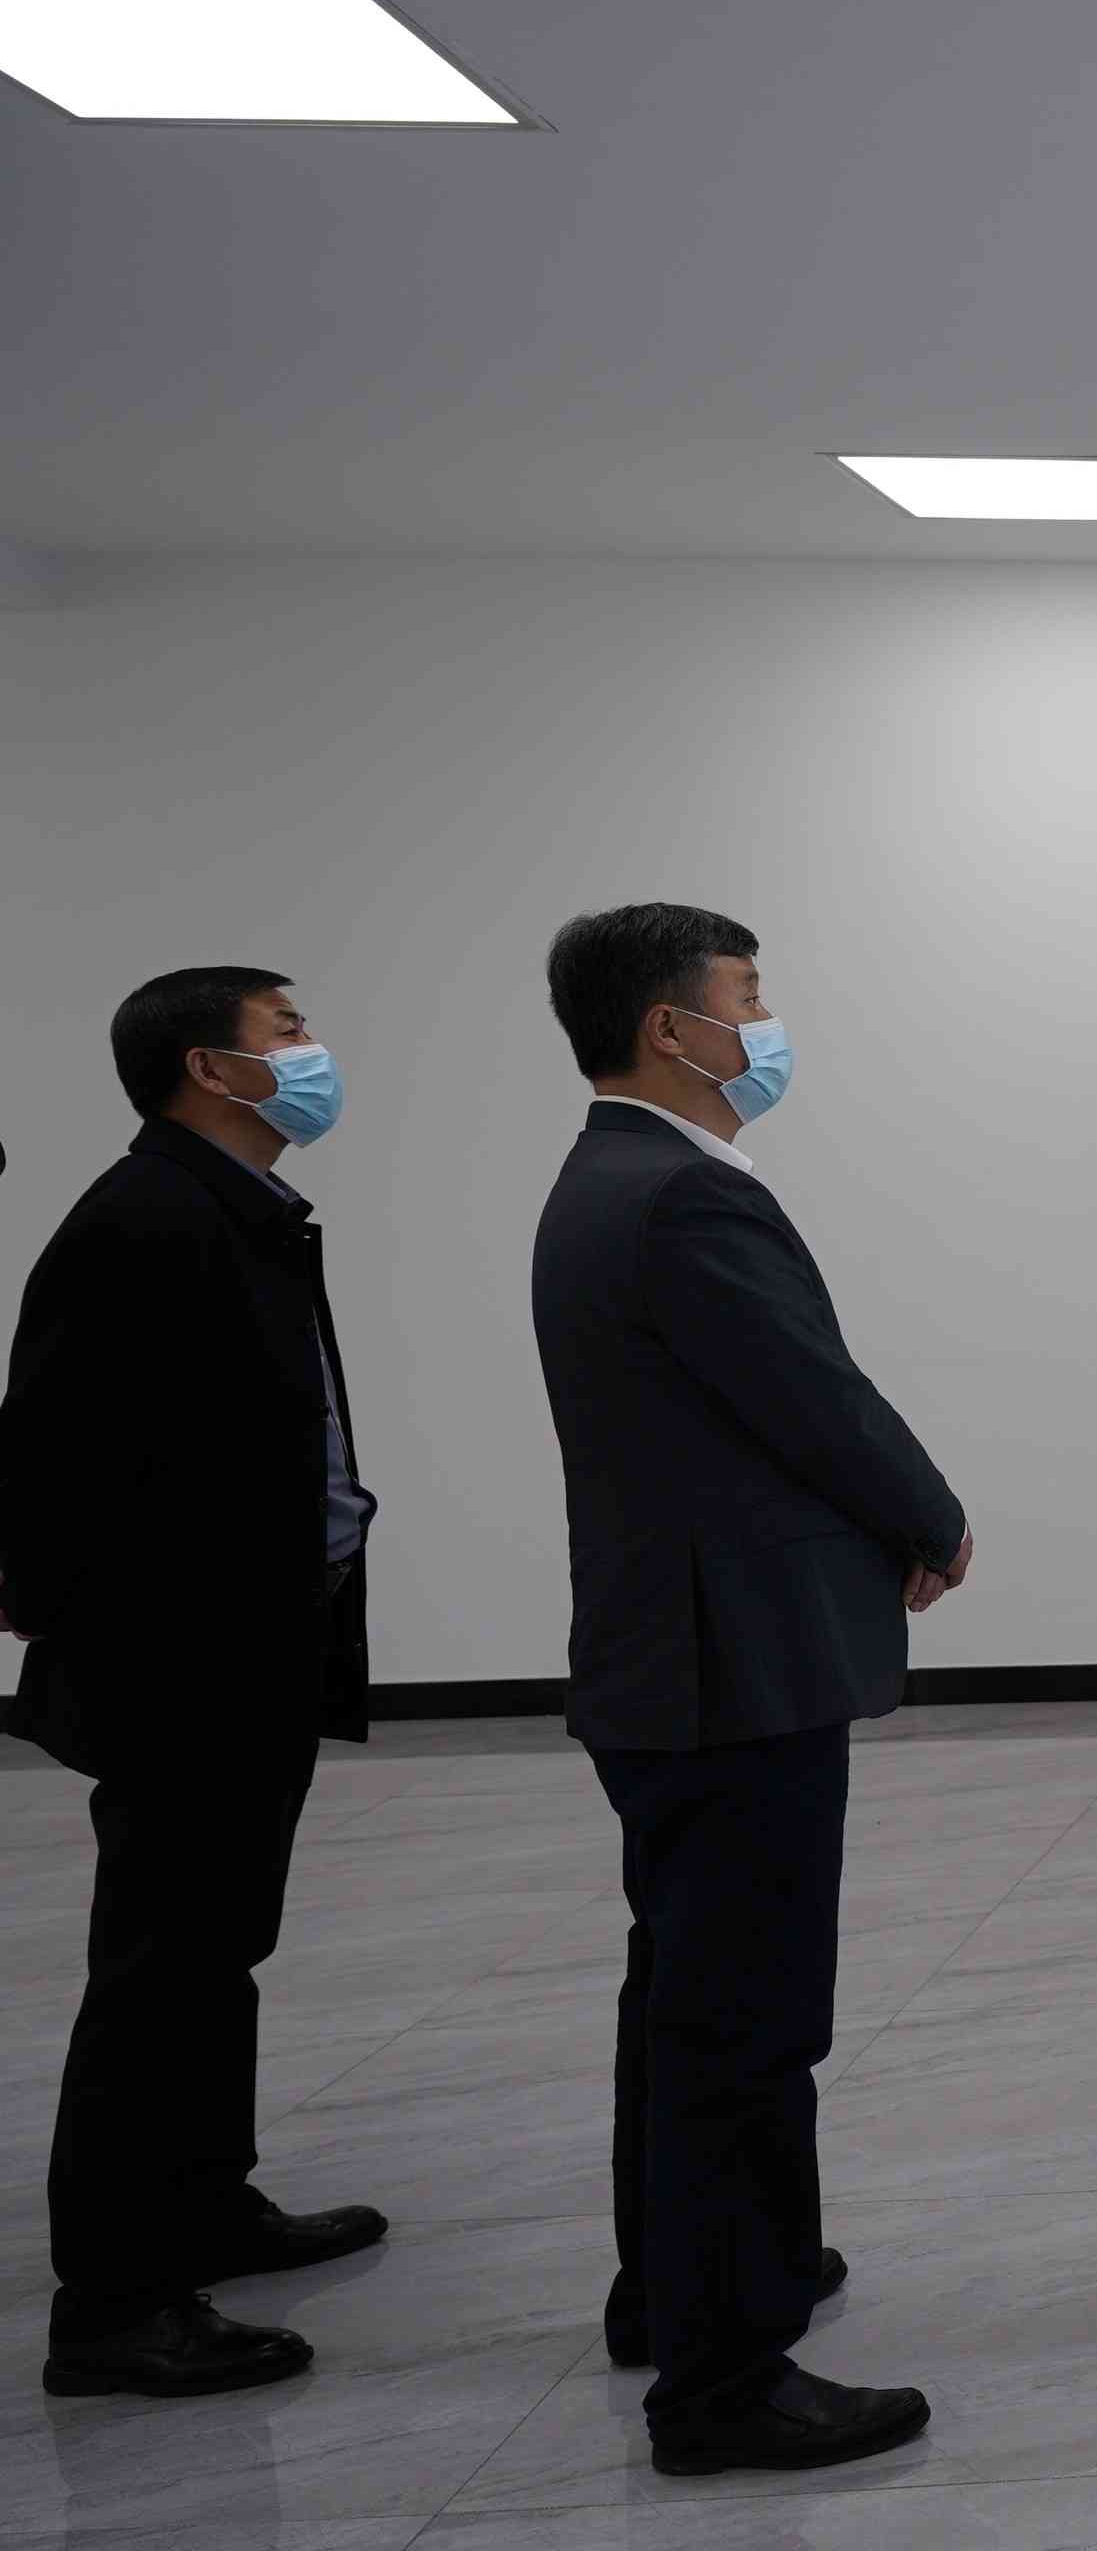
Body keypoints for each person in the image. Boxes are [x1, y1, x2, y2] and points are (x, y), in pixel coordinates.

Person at [528, 904, 970, 2477]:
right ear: (672, 1027)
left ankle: (681, 2287)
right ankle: (725, 2382)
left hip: (674, 1658)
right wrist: (932, 1518)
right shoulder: (682, 1198)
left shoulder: (604, 1182)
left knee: (686, 1997)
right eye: (748, 997)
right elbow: (813, 1397)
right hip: (734, 1671)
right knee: (744, 2023)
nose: (765, 1025)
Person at [0, 968, 387, 2398]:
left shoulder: (239, 1208)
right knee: (160, 1971)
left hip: (250, 1648)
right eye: (288, 1031)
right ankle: (112, 2304)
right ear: (209, 1069)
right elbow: (51, 1452)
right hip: (185, 1665)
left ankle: (205, 2201)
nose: (314, 1051)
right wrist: (97, 1629)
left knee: (219, 1949)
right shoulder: (147, 1217)